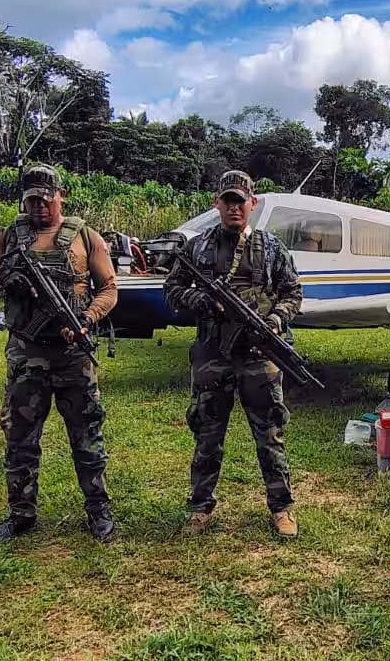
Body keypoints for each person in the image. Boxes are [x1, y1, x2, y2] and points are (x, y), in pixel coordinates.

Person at [0, 164, 120, 545]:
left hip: (71, 355)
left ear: (60, 196)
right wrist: (1, 275)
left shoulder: (84, 236)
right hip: (26, 355)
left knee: (86, 435)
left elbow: (110, 288)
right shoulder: (7, 237)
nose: (40, 208)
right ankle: (21, 514)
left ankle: (98, 509)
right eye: (31, 201)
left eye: (46, 201)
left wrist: (87, 318)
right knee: (20, 439)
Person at [163, 170, 305, 539]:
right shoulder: (197, 248)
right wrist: (198, 299)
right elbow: (173, 288)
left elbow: (293, 293)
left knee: (269, 434)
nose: (234, 208)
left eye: (241, 201)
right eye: (227, 201)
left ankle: (282, 507)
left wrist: (274, 320)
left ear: (252, 204)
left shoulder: (272, 247)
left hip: (259, 355)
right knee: (207, 434)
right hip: (213, 355)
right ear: (217, 204)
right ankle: (199, 508)